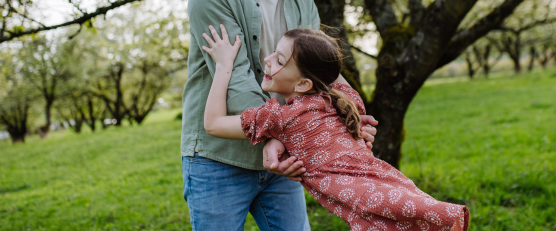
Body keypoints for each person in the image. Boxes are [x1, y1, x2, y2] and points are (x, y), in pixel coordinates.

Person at [181, 0, 378, 231]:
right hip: (220, 159)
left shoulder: (304, 5)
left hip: (284, 155)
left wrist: (351, 119)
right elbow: (237, 79)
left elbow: (322, 77)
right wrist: (284, 134)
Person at [201, 26, 470, 231]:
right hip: (385, 183)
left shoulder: (280, 117)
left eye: (279, 60)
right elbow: (329, 68)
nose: (267, 59)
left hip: (367, 197)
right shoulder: (341, 98)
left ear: (304, 84)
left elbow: (212, 124)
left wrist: (224, 65)